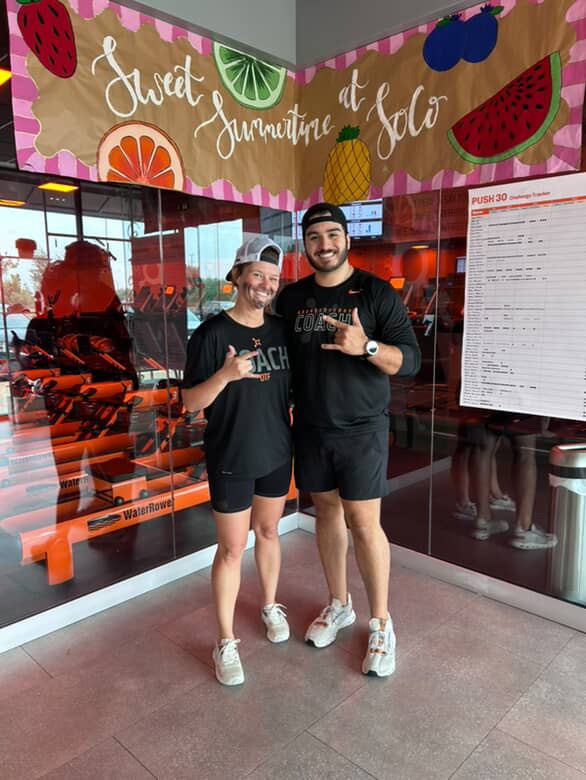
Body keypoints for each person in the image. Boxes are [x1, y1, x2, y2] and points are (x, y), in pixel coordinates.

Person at [275, 203, 421, 677]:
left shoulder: (376, 293)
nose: (325, 245)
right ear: (305, 244)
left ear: (347, 239)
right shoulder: (293, 298)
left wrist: (368, 347)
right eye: (315, 237)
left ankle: (381, 623)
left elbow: (411, 361)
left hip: (361, 429)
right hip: (311, 426)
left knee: (363, 521)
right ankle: (339, 604)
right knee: (327, 513)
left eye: (332, 234)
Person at [182, 236, 292, 686]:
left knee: (269, 532)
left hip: (276, 450)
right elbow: (190, 403)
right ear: (237, 276)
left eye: (273, 277)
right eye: (257, 274)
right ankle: (225, 640)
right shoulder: (211, 334)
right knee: (231, 549)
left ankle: (269, 605)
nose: (265, 284)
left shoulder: (282, 331)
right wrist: (226, 375)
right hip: (231, 453)